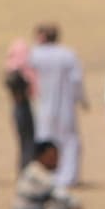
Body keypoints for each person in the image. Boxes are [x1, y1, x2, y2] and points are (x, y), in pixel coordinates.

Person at [29, 24, 88, 188]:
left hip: (44, 107)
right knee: (69, 141)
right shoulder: (68, 55)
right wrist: (82, 100)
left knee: (45, 141)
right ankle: (68, 177)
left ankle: (44, 177)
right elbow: (77, 81)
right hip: (65, 107)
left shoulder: (36, 55)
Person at [5, 39, 36, 172]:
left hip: (20, 108)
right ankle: (26, 169)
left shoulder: (12, 70)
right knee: (27, 141)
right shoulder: (17, 73)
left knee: (26, 141)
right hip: (21, 108)